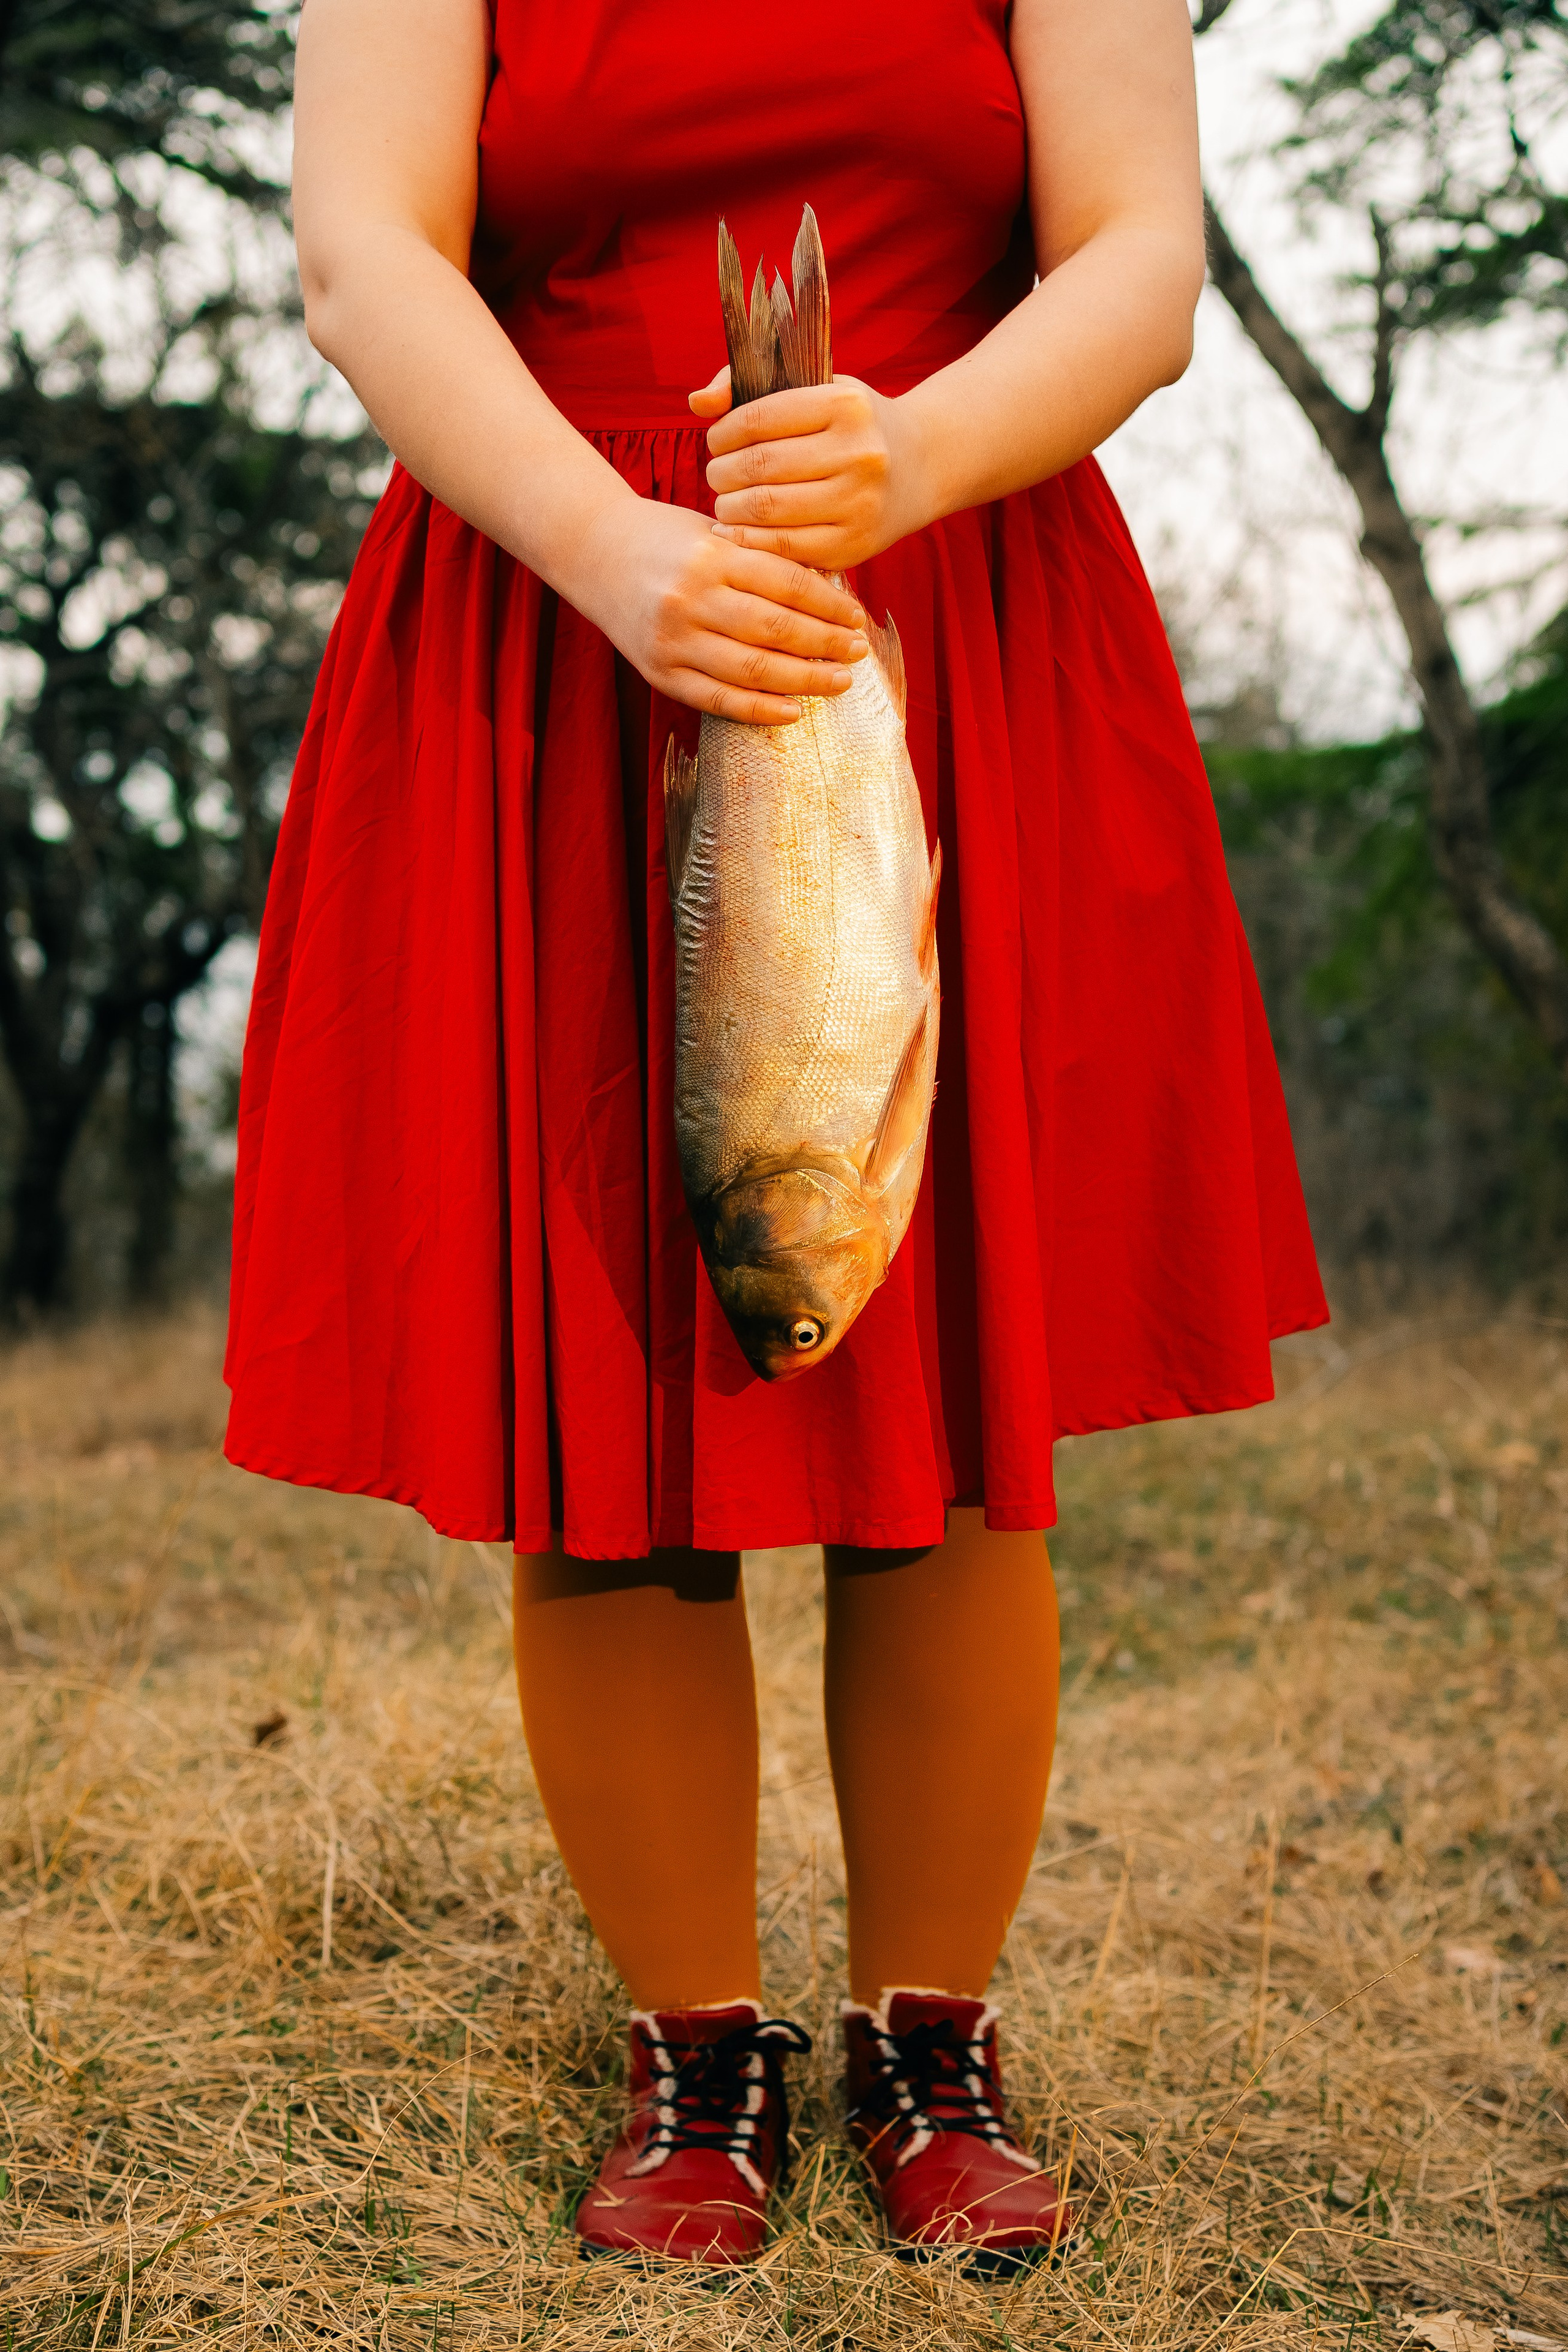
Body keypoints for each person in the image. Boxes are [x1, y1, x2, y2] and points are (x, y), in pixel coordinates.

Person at [225, 0, 1328, 2273]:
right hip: (554, 602)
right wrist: (623, 560)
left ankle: (932, 2049)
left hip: (943, 563)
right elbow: (367, 255)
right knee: (610, 1370)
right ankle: (691, 2059)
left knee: (940, 1382)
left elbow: (1137, 255)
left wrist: (898, 467)